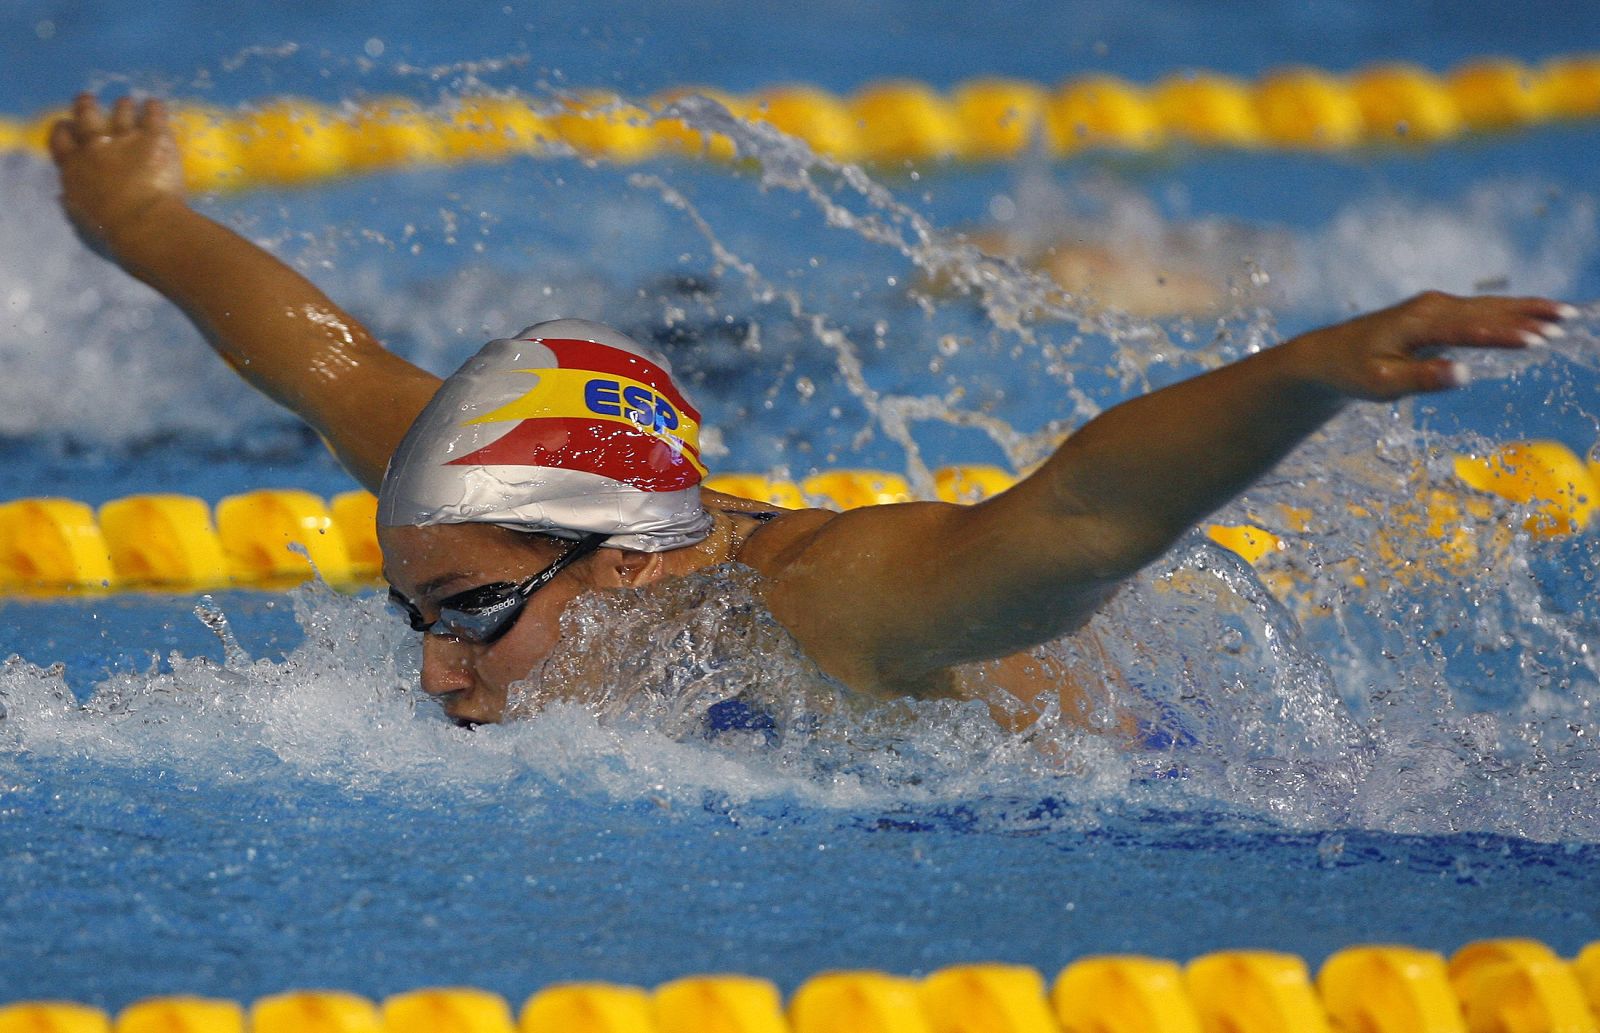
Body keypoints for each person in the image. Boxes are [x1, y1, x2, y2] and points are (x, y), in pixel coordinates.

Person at [48, 94, 1576, 727]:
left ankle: (1089, 258)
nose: (440, 667)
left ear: (631, 557)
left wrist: (1306, 369)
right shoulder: (482, 511)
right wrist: (130, 219)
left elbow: (1076, 514)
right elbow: (318, 361)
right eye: (416, 615)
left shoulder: (829, 604)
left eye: (468, 615)